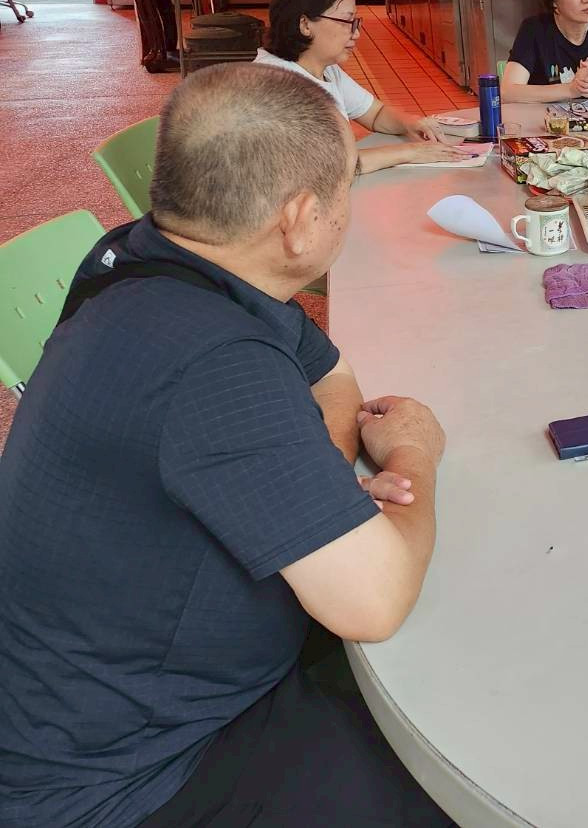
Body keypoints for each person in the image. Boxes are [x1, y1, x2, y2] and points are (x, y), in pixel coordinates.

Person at [0, 64, 454, 826]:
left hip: (105, 689)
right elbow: (372, 601)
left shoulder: (157, 261)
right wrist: (415, 456)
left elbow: (333, 378)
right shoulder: (216, 364)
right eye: (345, 187)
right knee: (448, 770)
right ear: (300, 219)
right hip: (130, 773)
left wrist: (309, 477)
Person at [255, 0, 471, 172]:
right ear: (305, 25)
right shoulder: (278, 84)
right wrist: (412, 152)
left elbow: (375, 114)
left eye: (356, 22)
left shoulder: (325, 69)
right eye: (347, 22)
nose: (356, 34)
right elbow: (327, 165)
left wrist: (411, 123)